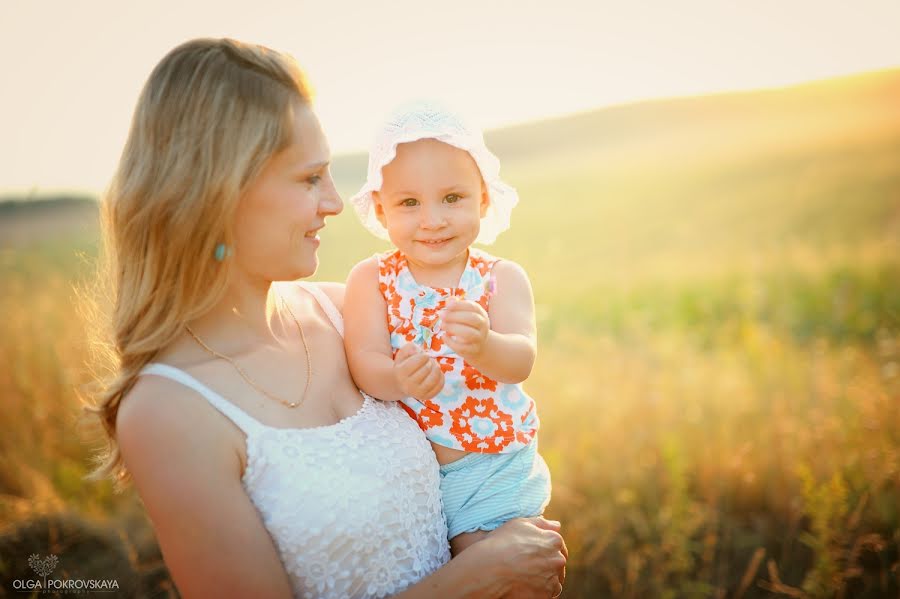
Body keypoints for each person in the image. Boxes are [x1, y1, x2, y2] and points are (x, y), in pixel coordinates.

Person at [86, 38, 566, 598]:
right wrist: (477, 579)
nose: (337, 203)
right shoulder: (167, 411)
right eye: (310, 178)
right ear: (220, 192)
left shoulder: (347, 309)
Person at [343, 102, 550, 557]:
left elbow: (521, 360)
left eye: (452, 198)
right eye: (409, 203)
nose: (432, 219)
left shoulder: (500, 277)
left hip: (492, 461)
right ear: (381, 209)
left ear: (484, 199)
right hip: (418, 475)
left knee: (501, 564)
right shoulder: (372, 279)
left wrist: (485, 345)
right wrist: (397, 378)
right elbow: (364, 358)